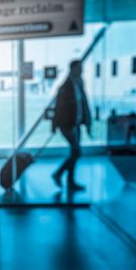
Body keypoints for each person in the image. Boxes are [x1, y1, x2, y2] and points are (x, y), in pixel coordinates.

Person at [51, 60, 92, 191]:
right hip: (67, 125)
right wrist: (54, 125)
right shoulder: (65, 86)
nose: (82, 70)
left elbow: (83, 103)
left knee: (75, 152)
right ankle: (59, 174)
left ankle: (69, 181)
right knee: (76, 152)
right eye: (80, 68)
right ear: (73, 69)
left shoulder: (79, 83)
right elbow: (58, 107)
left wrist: (87, 121)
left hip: (76, 124)